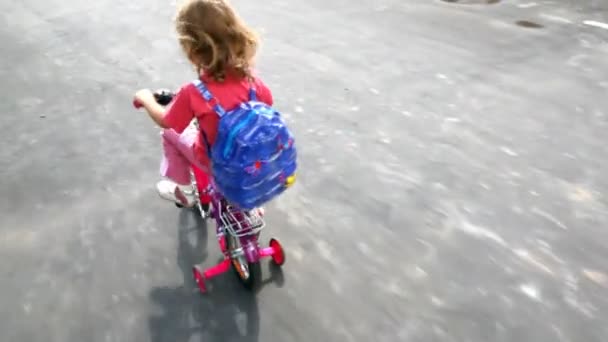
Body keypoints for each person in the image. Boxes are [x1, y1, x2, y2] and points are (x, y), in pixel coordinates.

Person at [133, 0, 274, 207]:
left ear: (191, 50)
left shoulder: (194, 93)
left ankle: (185, 191)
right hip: (253, 161)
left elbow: (167, 121)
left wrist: (145, 98)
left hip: (215, 164)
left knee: (170, 135)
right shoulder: (255, 83)